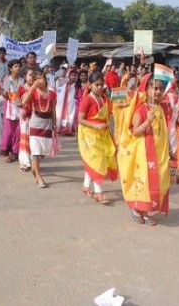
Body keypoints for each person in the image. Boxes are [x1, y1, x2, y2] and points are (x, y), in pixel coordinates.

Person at [117, 74, 170, 226]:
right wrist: (147, 121)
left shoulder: (161, 108)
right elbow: (135, 131)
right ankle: (136, 210)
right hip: (143, 153)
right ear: (146, 90)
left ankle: (146, 212)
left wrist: (170, 150)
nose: (158, 92)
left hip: (158, 153)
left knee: (157, 181)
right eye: (154, 88)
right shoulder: (141, 109)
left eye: (160, 89)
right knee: (143, 182)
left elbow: (163, 131)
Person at [77, 71, 118, 203]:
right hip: (89, 135)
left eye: (102, 85)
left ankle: (85, 185)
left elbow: (114, 109)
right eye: (97, 85)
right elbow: (80, 119)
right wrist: (95, 126)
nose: (100, 87)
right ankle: (98, 193)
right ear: (90, 85)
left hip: (102, 135)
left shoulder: (104, 99)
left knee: (94, 161)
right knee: (97, 162)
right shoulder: (87, 100)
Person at [21, 70, 57, 188]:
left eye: (39, 79)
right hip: (35, 122)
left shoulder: (52, 94)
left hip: (47, 124)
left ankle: (34, 166)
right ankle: (38, 176)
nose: (37, 81)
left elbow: (53, 110)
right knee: (35, 151)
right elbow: (24, 102)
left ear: (45, 79)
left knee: (44, 151)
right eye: (35, 79)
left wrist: (55, 125)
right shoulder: (33, 91)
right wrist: (32, 88)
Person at [0, 59, 23, 162]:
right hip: (10, 107)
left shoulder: (22, 80)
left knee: (18, 132)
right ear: (10, 68)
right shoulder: (7, 80)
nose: (18, 68)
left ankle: (15, 153)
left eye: (19, 66)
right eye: (15, 66)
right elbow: (4, 94)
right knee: (8, 132)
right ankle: (6, 152)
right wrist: (5, 93)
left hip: (20, 107)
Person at [18, 68, 35, 172]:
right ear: (25, 77)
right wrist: (24, 100)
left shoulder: (38, 89)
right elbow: (17, 103)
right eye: (30, 75)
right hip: (25, 117)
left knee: (33, 140)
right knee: (25, 140)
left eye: (34, 75)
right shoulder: (21, 89)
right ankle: (24, 163)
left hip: (36, 117)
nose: (32, 77)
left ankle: (34, 162)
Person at [56, 68, 78, 136]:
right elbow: (58, 85)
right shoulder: (65, 81)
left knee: (71, 115)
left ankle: (70, 129)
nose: (73, 77)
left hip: (73, 102)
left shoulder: (77, 84)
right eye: (72, 75)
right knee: (62, 114)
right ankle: (61, 129)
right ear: (69, 75)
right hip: (64, 101)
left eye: (75, 75)